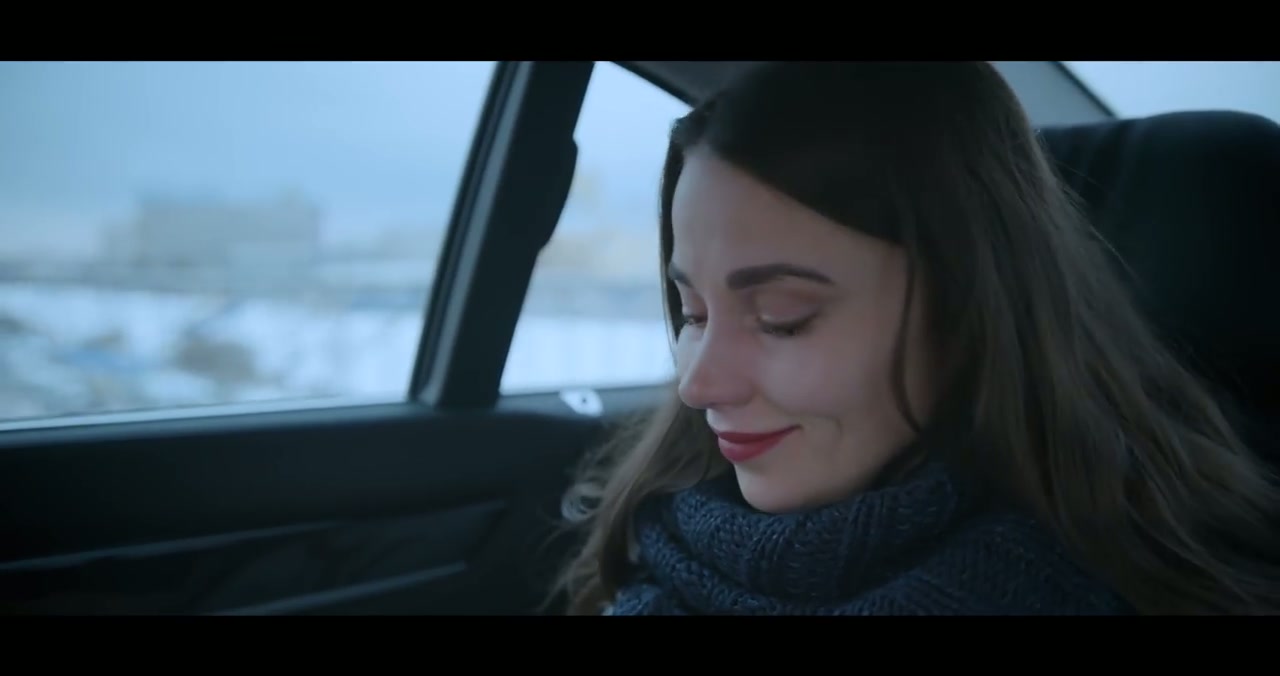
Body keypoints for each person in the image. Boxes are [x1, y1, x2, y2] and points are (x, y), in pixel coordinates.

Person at [551, 61, 1280, 615]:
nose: (697, 385)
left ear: (970, 311)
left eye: (782, 317)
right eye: (694, 314)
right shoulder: (663, 548)